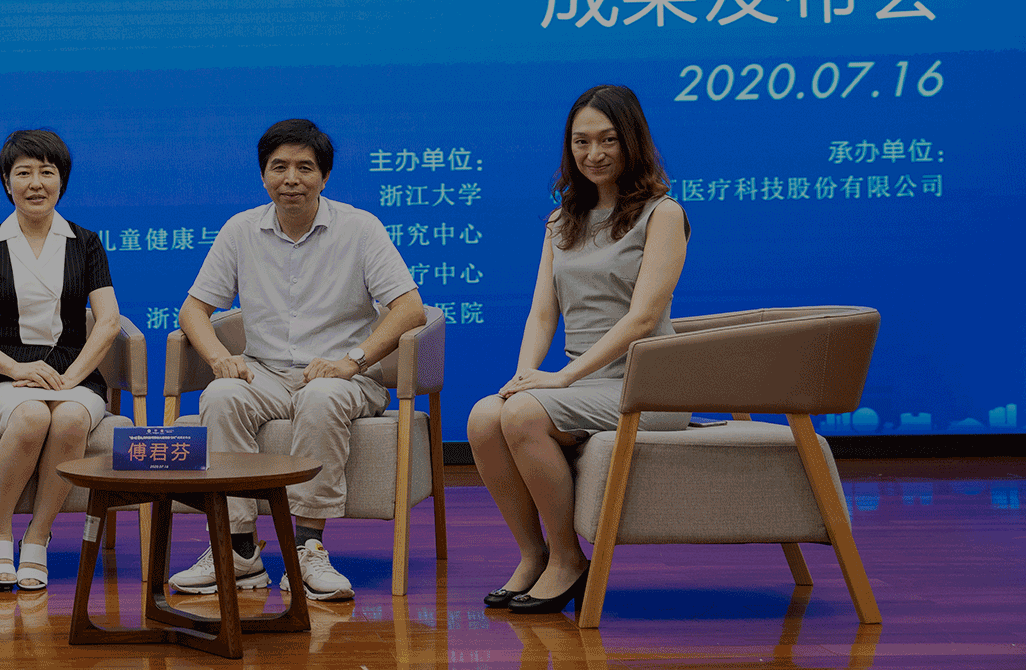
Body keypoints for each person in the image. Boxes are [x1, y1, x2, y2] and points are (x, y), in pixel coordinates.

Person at [171, 119, 426, 602]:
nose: (291, 179)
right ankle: (238, 549)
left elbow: (410, 308)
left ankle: (308, 548)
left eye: (305, 168)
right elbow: (193, 310)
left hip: (343, 375)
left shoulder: (360, 228)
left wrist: (352, 360)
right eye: (279, 167)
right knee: (221, 395)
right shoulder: (240, 230)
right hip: (265, 372)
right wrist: (220, 357)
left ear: (324, 177)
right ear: (263, 175)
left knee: (322, 396)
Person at [467, 85, 691, 615]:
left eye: (609, 140)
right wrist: (526, 374)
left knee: (523, 414)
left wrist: (561, 379)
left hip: (647, 388)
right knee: (484, 417)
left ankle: (568, 559)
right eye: (581, 141)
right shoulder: (561, 219)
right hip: (585, 385)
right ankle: (534, 555)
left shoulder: (663, 214)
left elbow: (642, 318)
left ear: (632, 141)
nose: (594, 153)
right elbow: (543, 313)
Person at [0, 129, 121, 591]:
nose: (36, 183)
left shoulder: (85, 243)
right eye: (23, 173)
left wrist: (71, 378)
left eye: (47, 172)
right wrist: (16, 369)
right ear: (7, 183)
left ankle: (39, 537)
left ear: (62, 181)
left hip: (74, 376)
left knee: (69, 419)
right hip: (6, 376)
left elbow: (108, 322)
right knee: (30, 416)